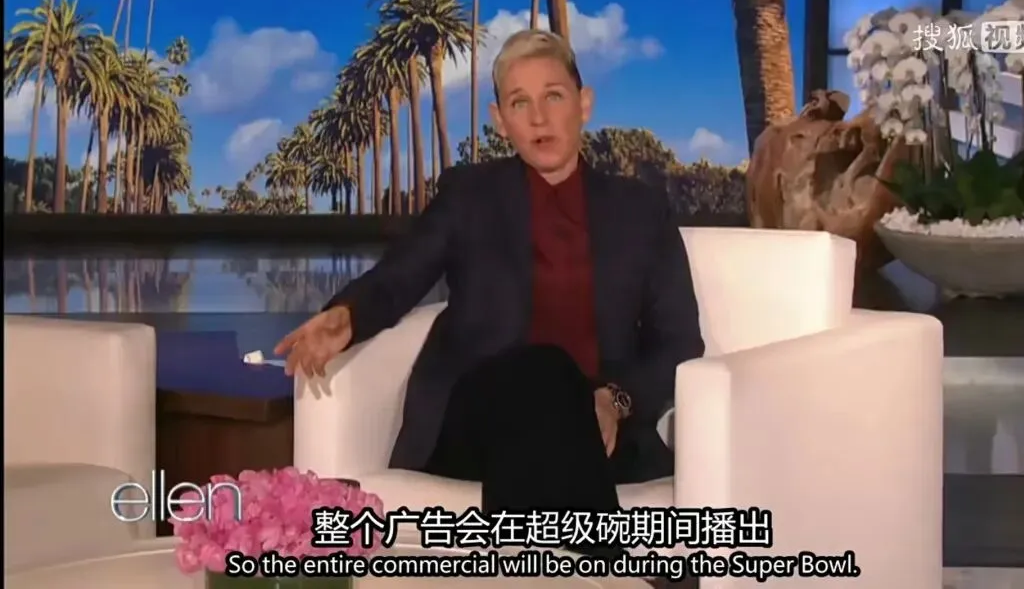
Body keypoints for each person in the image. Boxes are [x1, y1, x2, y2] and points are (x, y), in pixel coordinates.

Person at [275, 29, 704, 544]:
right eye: (520, 103)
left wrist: (614, 401)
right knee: (544, 370)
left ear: (584, 104)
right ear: (501, 121)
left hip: (602, 428)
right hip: (478, 421)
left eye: (554, 96)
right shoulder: (469, 196)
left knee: (558, 409)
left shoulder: (641, 210)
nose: (539, 118)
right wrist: (347, 316)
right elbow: (398, 277)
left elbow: (679, 341)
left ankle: (558, 569)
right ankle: (612, 567)